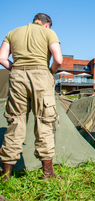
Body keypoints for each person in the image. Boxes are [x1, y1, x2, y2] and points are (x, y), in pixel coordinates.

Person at [0, 13, 63, 181]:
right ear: (46, 24)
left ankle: (6, 175)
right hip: (41, 75)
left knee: (15, 122)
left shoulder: (12, 33)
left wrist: (15, 68)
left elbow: (2, 58)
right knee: (44, 122)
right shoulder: (49, 33)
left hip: (17, 76)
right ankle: (47, 174)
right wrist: (49, 73)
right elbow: (58, 59)